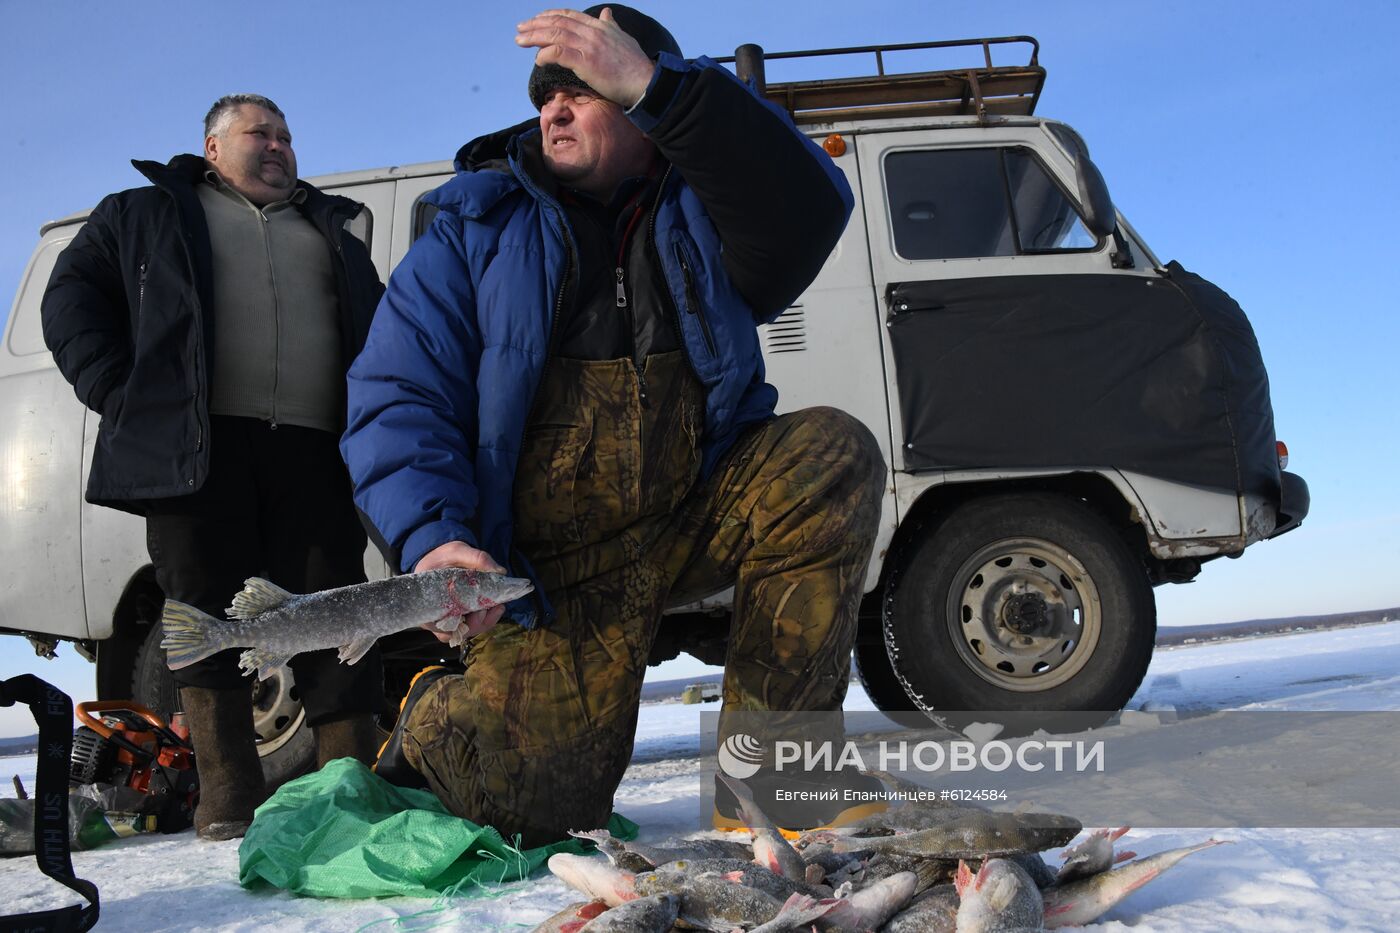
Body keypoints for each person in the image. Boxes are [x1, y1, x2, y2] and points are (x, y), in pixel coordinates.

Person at [342, 6, 885, 845]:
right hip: (550, 572)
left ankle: (779, 784)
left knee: (829, 455)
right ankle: (434, 719)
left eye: (583, 86)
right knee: (539, 811)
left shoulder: (713, 210)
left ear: (640, 100)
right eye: (546, 93)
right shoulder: (470, 234)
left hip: (689, 511)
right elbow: (397, 397)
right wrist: (434, 539)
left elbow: (813, 205)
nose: (554, 108)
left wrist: (664, 87)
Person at [41, 94, 387, 841]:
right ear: (211, 147)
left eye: (287, 135)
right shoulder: (146, 213)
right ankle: (227, 793)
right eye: (259, 133)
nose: (278, 147)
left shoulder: (328, 228)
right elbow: (69, 297)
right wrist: (115, 389)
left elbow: (381, 327)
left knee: (338, 600)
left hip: (314, 445)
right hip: (197, 447)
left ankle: (349, 782)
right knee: (201, 608)